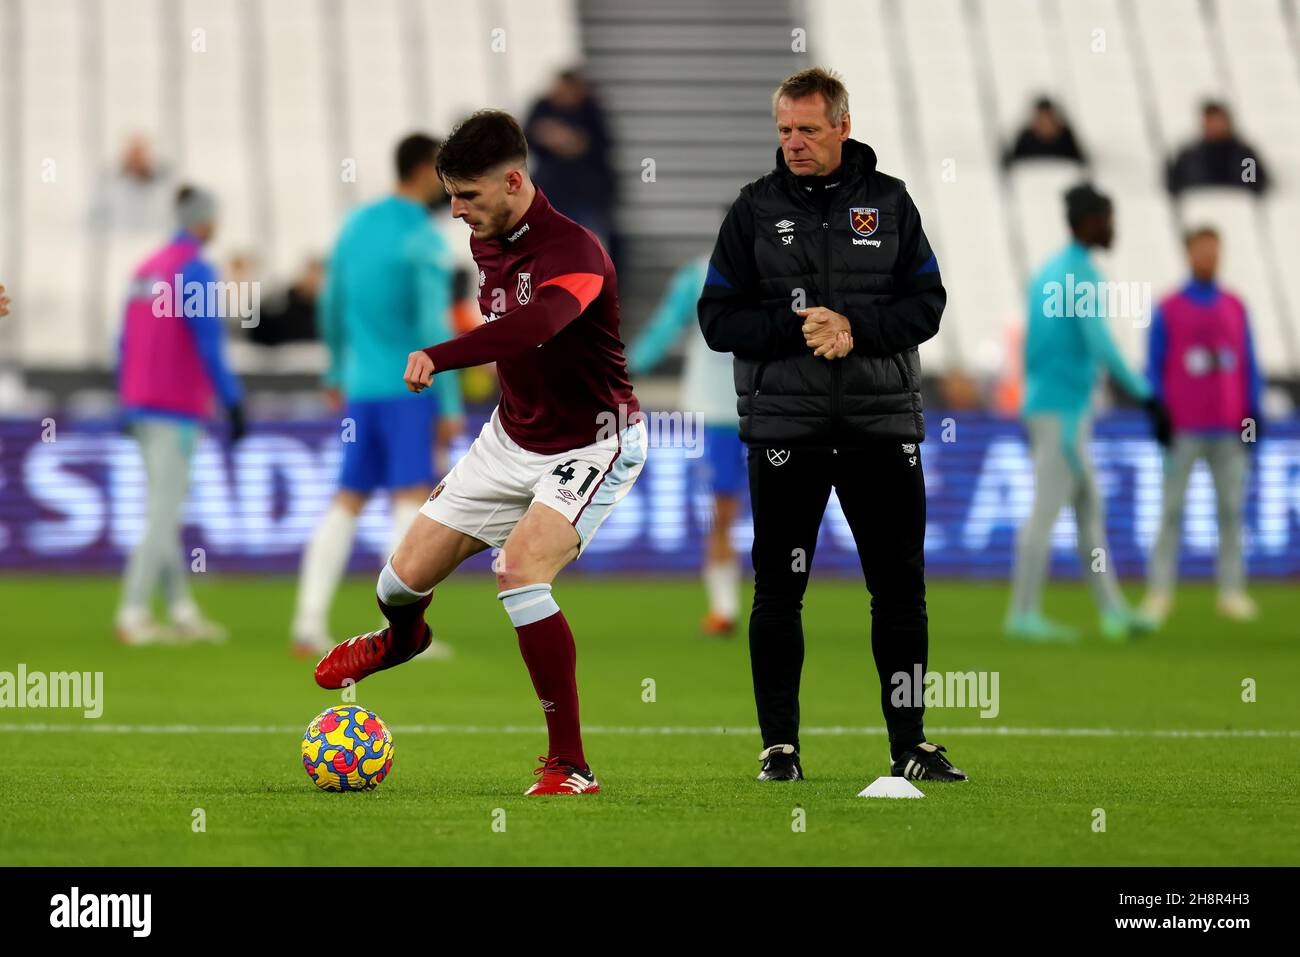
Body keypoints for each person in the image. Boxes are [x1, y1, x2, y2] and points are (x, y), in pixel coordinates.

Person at [312, 111, 647, 797]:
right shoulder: (484, 237)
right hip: (509, 437)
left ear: (514, 181)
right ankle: (403, 639)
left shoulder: (576, 251)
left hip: (593, 441)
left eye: (466, 195)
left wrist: (441, 354)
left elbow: (539, 324)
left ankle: (570, 765)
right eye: (450, 195)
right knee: (397, 584)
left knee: (520, 572)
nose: (455, 210)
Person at [698, 67, 965, 784]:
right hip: (788, 433)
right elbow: (716, 319)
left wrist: (857, 327)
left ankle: (910, 742)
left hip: (880, 428)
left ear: (842, 126)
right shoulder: (752, 211)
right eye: (784, 130)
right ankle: (778, 748)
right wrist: (799, 327)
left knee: (900, 590)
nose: (793, 143)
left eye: (807, 130)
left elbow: (929, 305)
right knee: (779, 591)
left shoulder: (891, 202)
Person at [290, 134, 465, 658]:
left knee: (347, 499)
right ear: (423, 172)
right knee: (410, 499)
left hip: (361, 388)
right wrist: (451, 402)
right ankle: (404, 635)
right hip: (409, 387)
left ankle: (308, 620)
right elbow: (434, 325)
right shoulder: (425, 238)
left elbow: (330, 306)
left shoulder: (356, 226)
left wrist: (335, 371)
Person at [1007, 184, 1169, 642]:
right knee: (1048, 512)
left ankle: (1113, 610)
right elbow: (1101, 346)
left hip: (1045, 406)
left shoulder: (1047, 273)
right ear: (1089, 221)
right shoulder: (1082, 275)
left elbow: (1038, 346)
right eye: (1108, 218)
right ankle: (1023, 614)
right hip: (1064, 414)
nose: (1113, 227)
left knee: (1086, 510)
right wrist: (1147, 395)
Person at [115, 186, 245, 644]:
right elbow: (208, 340)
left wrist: (124, 397)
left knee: (161, 510)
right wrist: (233, 399)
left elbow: (124, 342)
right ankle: (132, 613)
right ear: (206, 221)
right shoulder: (196, 270)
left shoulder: (146, 268)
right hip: (175, 406)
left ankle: (180, 609)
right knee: (164, 513)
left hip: (139, 403)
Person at [1142, 227, 1262, 624]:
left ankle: (1231, 591)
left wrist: (1252, 411)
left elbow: (1248, 363)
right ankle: (1159, 592)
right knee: (1171, 511)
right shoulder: (1169, 308)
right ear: (1189, 254)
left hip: (1228, 427)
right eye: (1202, 250)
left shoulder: (1236, 306)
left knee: (1230, 511)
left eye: (1214, 250)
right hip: (1184, 428)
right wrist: (1158, 409)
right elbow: (1155, 364)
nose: (1209, 257)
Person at [628, 246, 745, 635]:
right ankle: (724, 609)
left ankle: (766, 607)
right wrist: (630, 367)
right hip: (721, 410)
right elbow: (666, 325)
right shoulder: (698, 275)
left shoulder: (787, 269)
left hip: (775, 408)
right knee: (723, 510)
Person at [523, 70, 615, 245]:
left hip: (587, 195)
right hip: (552, 193)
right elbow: (526, 138)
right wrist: (547, 136)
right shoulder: (543, 107)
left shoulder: (591, 110)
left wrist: (573, 141)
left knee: (587, 244)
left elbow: (601, 145)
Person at [1166, 102, 1268, 196]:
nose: (1214, 126)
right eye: (1210, 121)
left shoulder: (1244, 156)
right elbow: (1175, 185)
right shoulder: (1188, 158)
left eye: (1217, 121)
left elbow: (1253, 185)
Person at [1003, 97, 1086, 168]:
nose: (1045, 122)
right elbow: (1012, 164)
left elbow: (1080, 162)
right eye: (1041, 118)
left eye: (1047, 118)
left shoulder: (1065, 136)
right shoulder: (1025, 137)